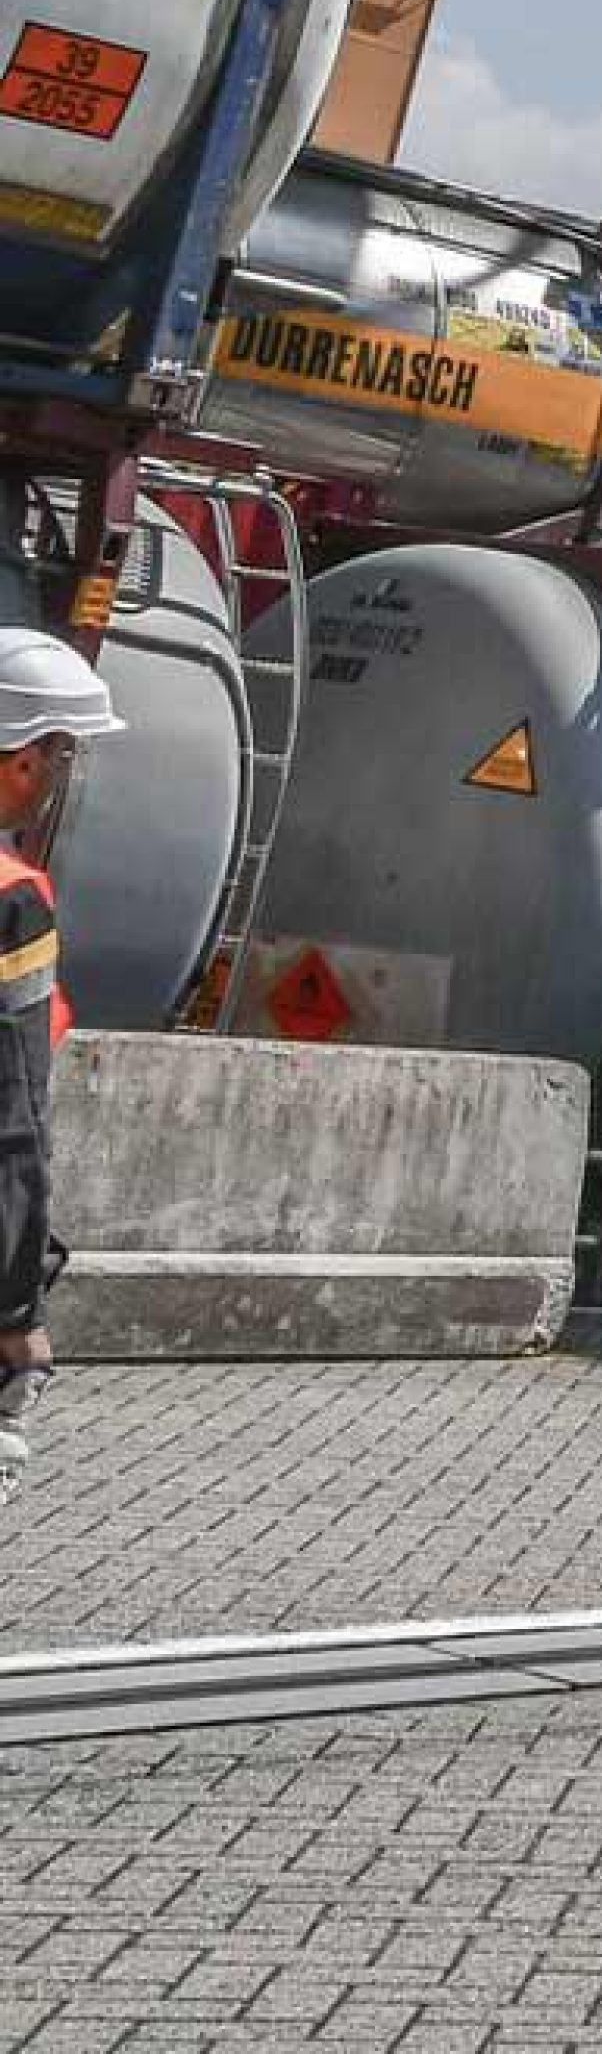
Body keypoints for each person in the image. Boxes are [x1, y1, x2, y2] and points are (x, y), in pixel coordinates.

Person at [0, 623, 117, 1476]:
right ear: (22, 758)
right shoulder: (12, 899)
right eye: (62, 752)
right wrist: (16, 1306)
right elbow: (13, 1121)